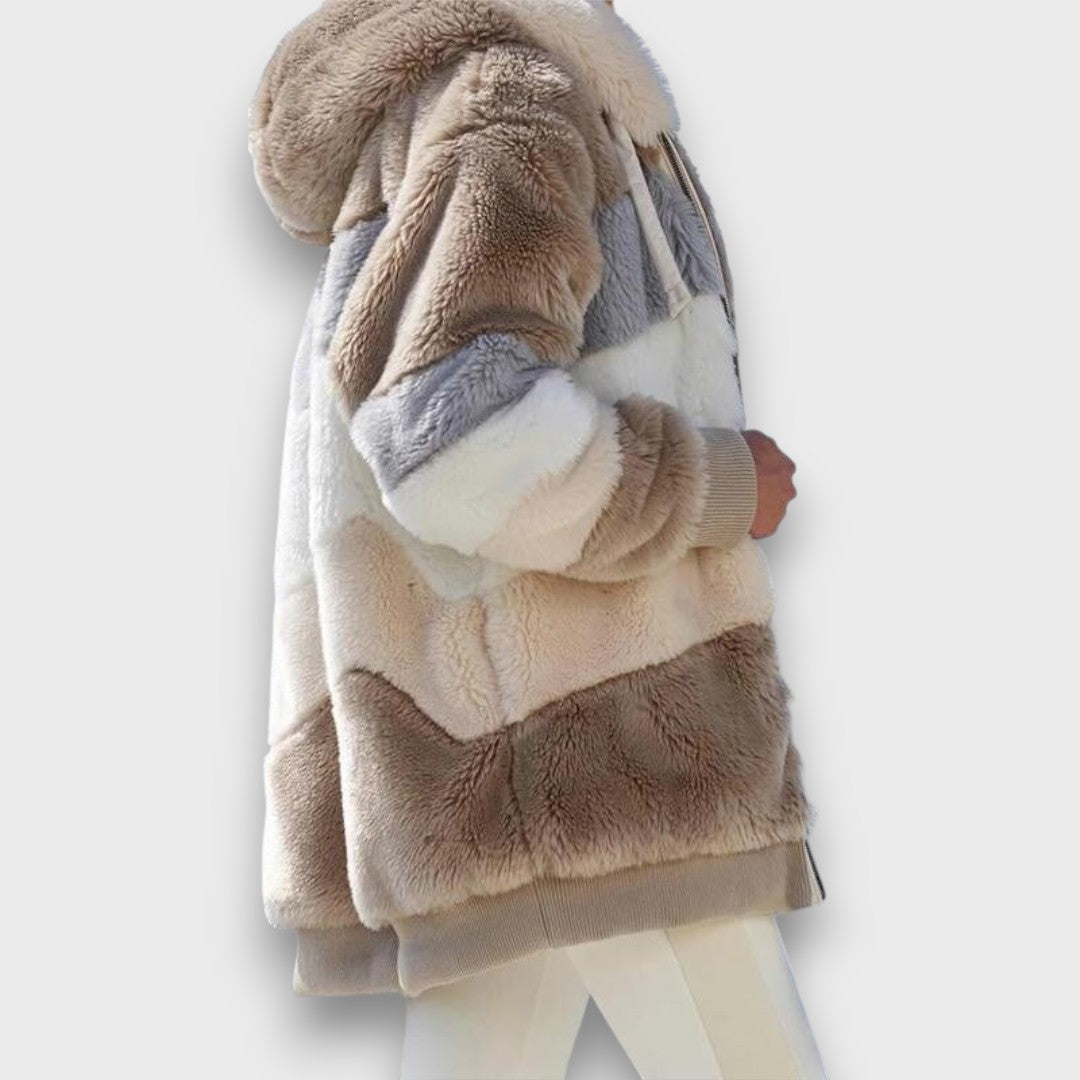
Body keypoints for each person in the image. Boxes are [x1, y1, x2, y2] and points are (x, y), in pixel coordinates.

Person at [250, 0, 827, 1076]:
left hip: (503, 764)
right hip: (601, 758)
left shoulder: (493, 92)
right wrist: (710, 485)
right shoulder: (510, 100)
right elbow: (451, 439)